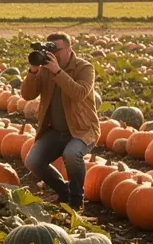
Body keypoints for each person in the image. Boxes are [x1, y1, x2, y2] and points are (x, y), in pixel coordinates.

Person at [21, 32, 100, 211]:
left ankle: (76, 199)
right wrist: (33, 71)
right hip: (55, 130)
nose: (53, 54)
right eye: (51, 50)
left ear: (69, 48)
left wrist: (58, 71)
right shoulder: (45, 69)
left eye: (57, 50)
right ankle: (64, 191)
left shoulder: (85, 68)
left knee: (72, 154)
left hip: (81, 129)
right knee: (33, 161)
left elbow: (79, 93)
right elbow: (27, 95)